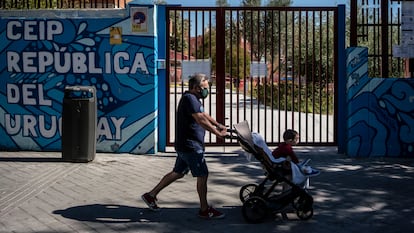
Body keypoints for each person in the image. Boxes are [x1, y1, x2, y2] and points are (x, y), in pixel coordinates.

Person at [141, 73, 228, 219]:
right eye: (205, 88)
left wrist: (218, 125)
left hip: (185, 145)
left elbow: (204, 114)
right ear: (196, 88)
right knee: (202, 175)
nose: (207, 90)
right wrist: (217, 134)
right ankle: (204, 210)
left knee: (178, 172)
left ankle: (151, 195)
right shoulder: (190, 99)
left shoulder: (193, 98)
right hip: (191, 145)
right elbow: (201, 120)